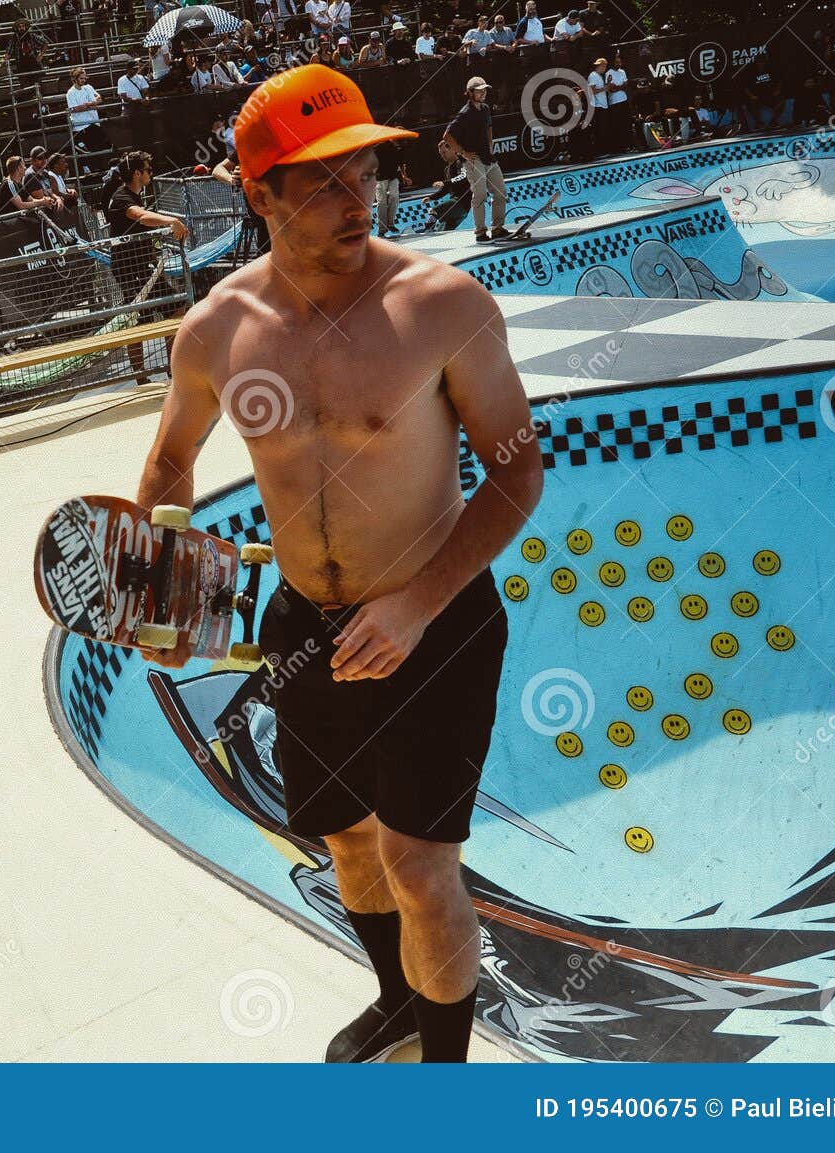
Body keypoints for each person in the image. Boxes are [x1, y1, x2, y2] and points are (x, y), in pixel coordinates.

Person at [142, 63, 539, 1064]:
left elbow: (514, 479)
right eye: (319, 180)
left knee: (416, 862)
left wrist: (413, 603)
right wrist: (154, 581)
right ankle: (397, 1001)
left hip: (434, 625)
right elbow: (171, 461)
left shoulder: (440, 306)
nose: (354, 196)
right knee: (347, 842)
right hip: (302, 627)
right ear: (258, 192)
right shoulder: (218, 328)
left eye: (360, 169)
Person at [104, 149, 186, 382]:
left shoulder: (135, 194)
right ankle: (141, 377)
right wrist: (171, 221)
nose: (152, 173)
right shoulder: (121, 198)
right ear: (137, 173)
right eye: (148, 170)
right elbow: (140, 216)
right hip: (129, 268)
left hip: (145, 265)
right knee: (138, 321)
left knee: (176, 308)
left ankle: (173, 369)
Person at [443, 76, 508, 241]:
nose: (483, 93)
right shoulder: (465, 113)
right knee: (479, 195)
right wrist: (463, 153)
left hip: (488, 157)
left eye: (484, 90)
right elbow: (447, 136)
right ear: (470, 93)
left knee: (500, 192)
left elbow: (489, 127)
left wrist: (490, 145)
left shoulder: (485, 108)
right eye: (479, 91)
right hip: (474, 159)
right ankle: (480, 232)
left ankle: (498, 228)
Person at [65, 67, 110, 162]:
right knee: (90, 151)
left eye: (84, 78)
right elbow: (76, 108)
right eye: (81, 78)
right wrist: (92, 105)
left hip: (94, 122)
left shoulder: (89, 87)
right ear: (75, 79)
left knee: (102, 146)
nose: (83, 80)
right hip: (82, 126)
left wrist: (88, 104)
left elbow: (99, 98)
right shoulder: (71, 92)